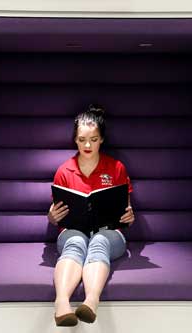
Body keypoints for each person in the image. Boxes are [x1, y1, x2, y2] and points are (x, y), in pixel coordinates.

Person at [47, 104, 135, 326]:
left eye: (94, 140)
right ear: (75, 139)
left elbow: (125, 208)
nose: (87, 145)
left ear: (102, 139)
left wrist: (128, 216)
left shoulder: (116, 168)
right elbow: (57, 212)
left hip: (109, 233)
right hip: (72, 231)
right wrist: (52, 217)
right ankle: (62, 304)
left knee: (98, 241)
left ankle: (91, 301)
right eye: (81, 139)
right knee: (76, 241)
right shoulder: (64, 170)